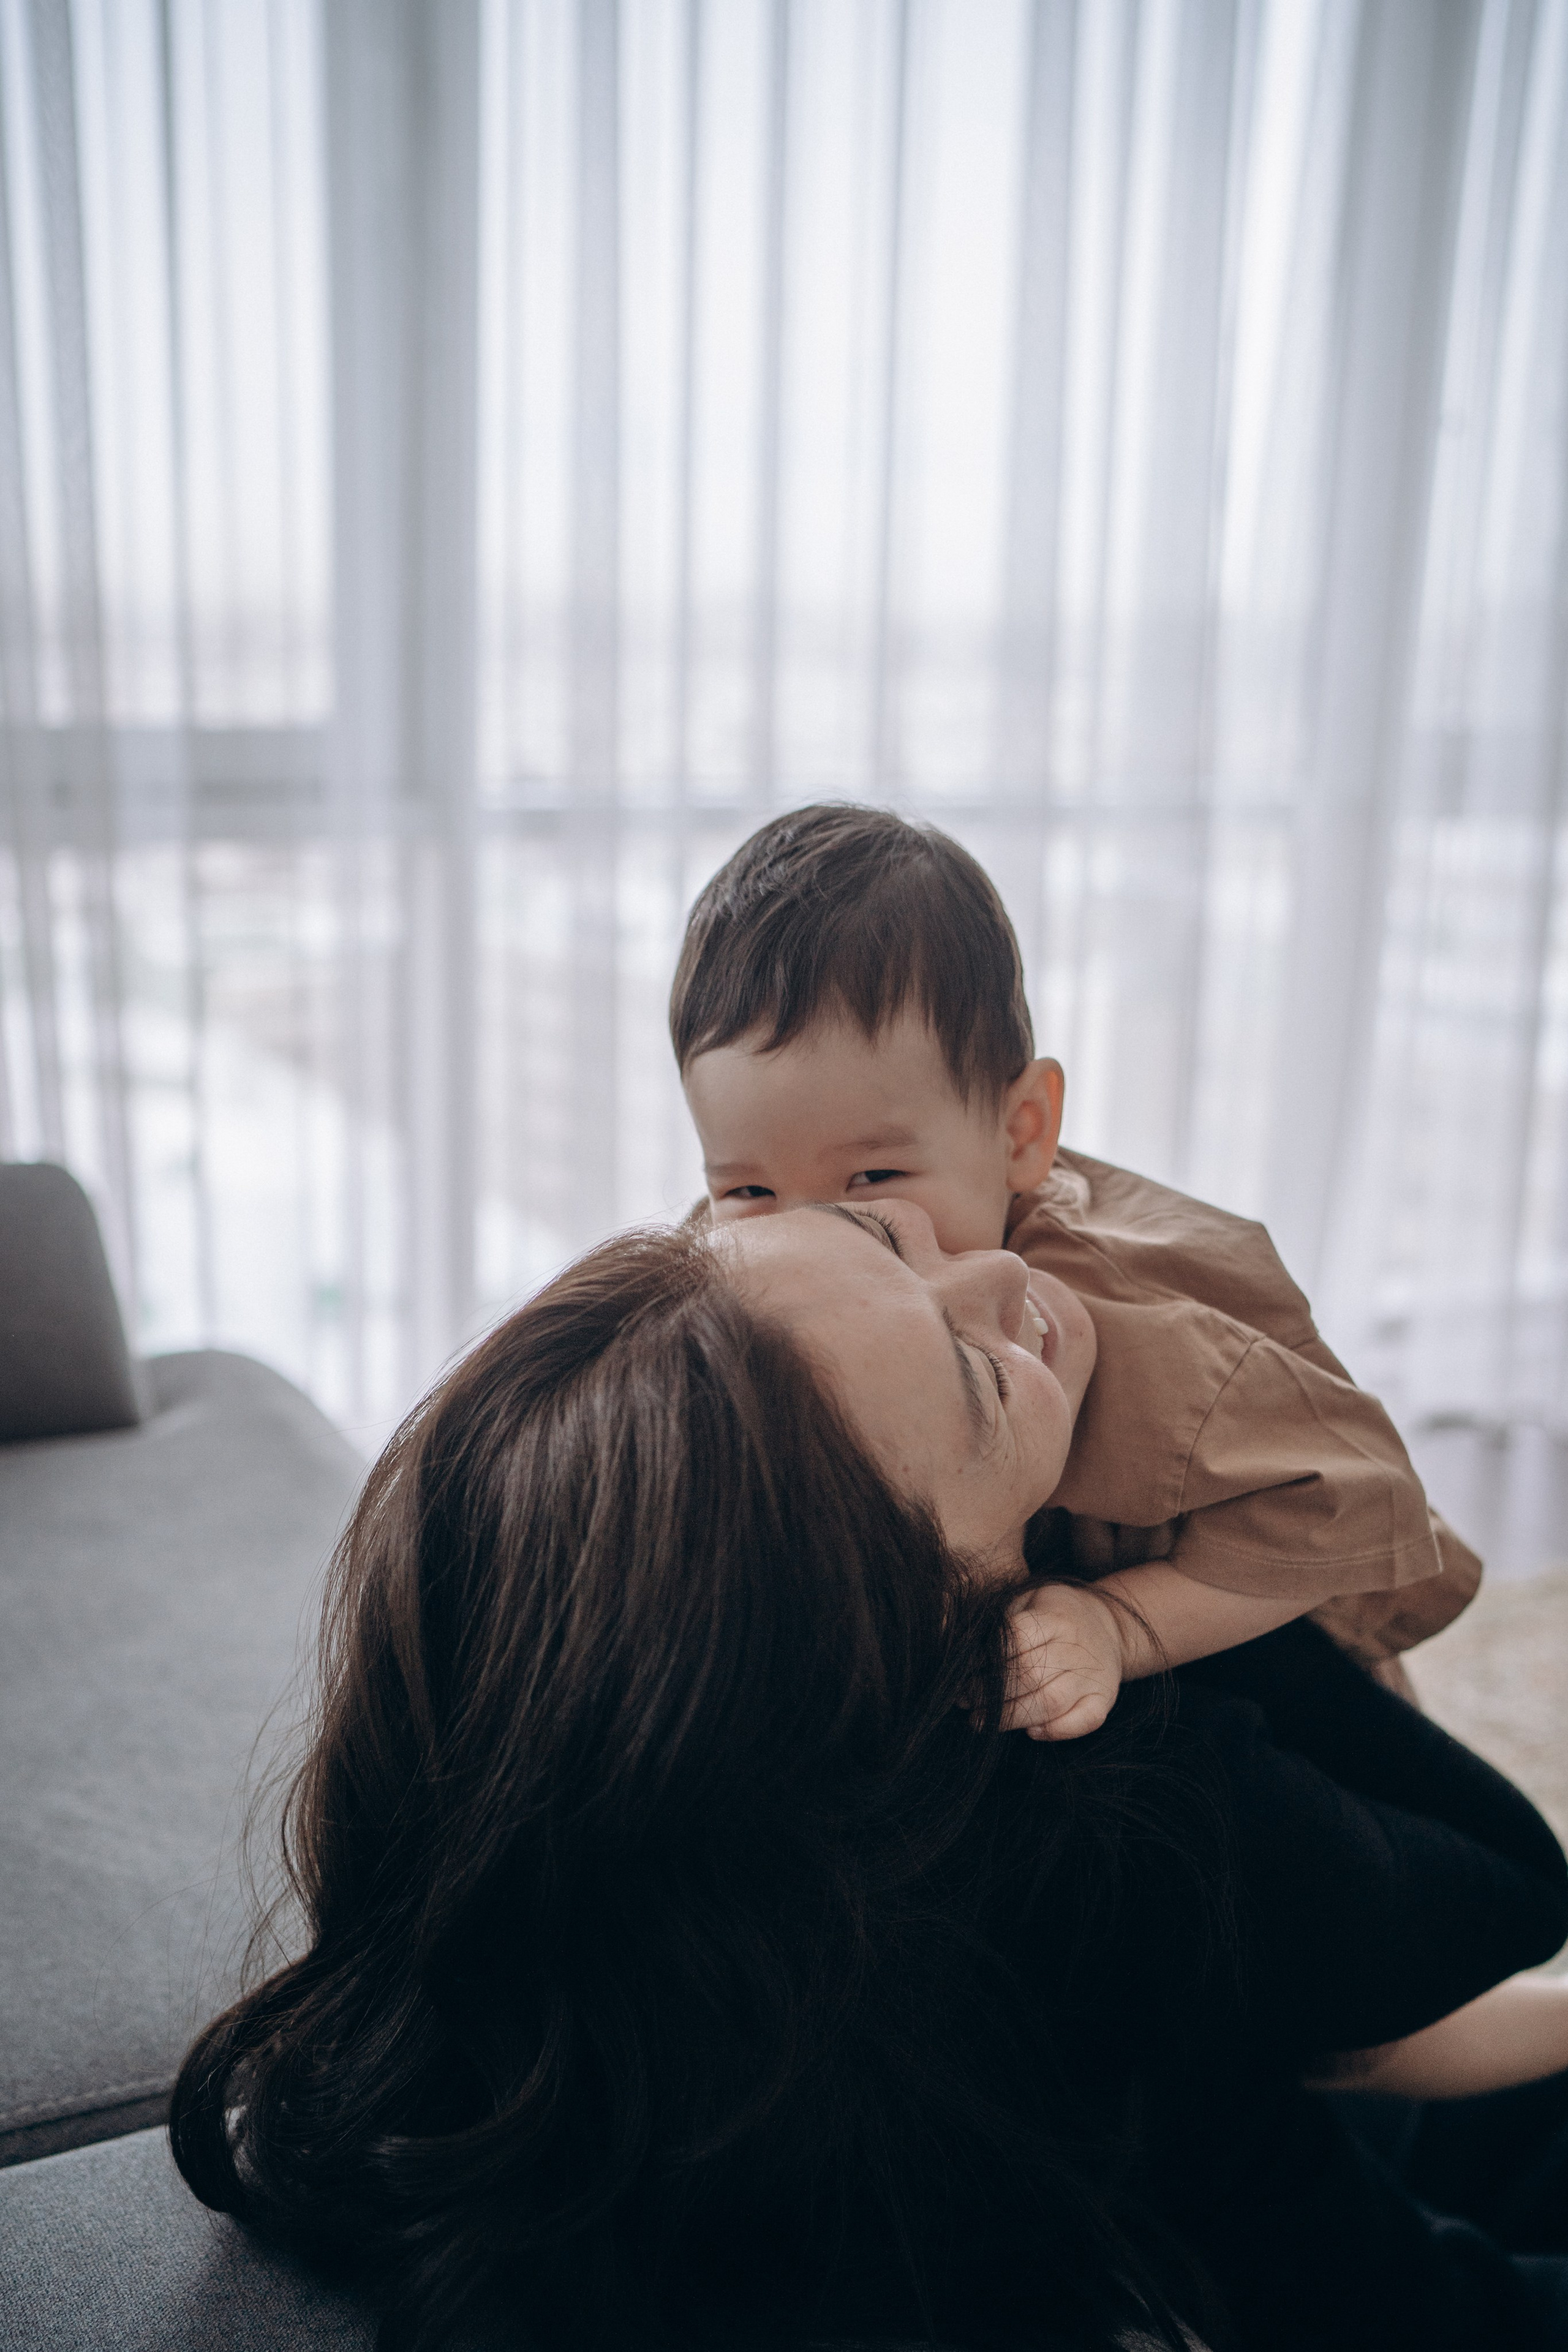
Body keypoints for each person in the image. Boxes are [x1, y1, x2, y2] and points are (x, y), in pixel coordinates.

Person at [172, 1207, 1568, 2352]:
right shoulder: (1121, 1810)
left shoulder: (608, 1930)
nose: (1006, 1264)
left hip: (1206, 2148)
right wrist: (1164, 1588)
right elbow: (1509, 1881)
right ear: (919, 1656)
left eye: (885, 1238)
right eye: (975, 1378)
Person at [671, 803, 1483, 1738]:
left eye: (874, 1178)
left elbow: (1351, 1497)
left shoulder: (1118, 1318)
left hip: (1254, 1622)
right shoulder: (749, 1255)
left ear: (1021, 1134)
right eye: (749, 1192)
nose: (829, 1237)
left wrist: (1118, 1626)